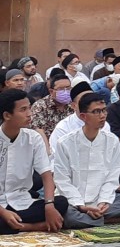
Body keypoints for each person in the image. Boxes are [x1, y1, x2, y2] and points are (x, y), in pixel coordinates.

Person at [54, 92, 120, 228]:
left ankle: (95, 218)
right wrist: (82, 206)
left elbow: (112, 178)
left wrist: (103, 202)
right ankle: (112, 220)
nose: (102, 116)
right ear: (83, 116)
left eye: (103, 110)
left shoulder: (112, 140)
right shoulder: (65, 143)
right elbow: (62, 181)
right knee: (68, 214)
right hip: (73, 201)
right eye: (96, 112)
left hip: (100, 199)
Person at [0, 89, 69, 234]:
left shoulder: (33, 138)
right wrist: (3, 213)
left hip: (21, 200)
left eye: (29, 108)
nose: (29, 114)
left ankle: (19, 226)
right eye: (23, 110)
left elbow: (46, 175)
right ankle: (32, 226)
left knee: (61, 203)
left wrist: (49, 205)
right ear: (7, 115)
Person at [49, 82, 112, 158]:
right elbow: (58, 158)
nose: (90, 104)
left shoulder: (104, 125)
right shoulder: (63, 128)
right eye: (85, 101)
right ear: (73, 106)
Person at [30, 74, 74, 139]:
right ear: (51, 91)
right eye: (61, 89)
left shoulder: (74, 105)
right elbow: (38, 131)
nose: (65, 92)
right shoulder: (40, 106)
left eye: (68, 88)